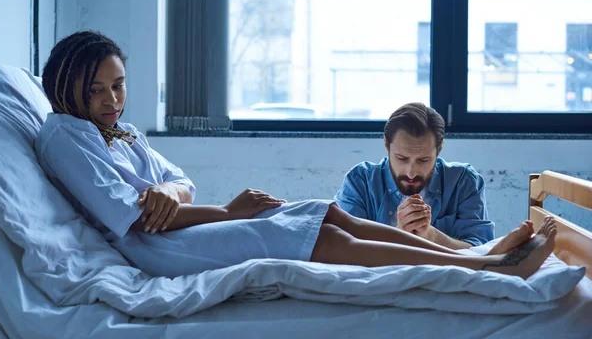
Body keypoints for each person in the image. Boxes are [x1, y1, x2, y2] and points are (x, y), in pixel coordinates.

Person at [35, 30, 556, 280]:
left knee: (320, 211)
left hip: (182, 225)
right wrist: (225, 213)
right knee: (315, 233)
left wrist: (169, 192)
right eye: (96, 90)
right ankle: (488, 270)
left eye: (119, 86)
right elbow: (133, 217)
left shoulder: (121, 132)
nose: (111, 100)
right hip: (160, 249)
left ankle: (471, 256)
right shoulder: (64, 136)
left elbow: (178, 182)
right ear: (65, 86)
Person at [335, 103, 494, 250]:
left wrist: (431, 236)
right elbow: (343, 249)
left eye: (423, 160)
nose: (411, 172)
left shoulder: (463, 182)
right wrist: (398, 234)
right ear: (386, 145)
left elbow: (481, 251)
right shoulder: (359, 182)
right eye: (402, 158)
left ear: (439, 149)